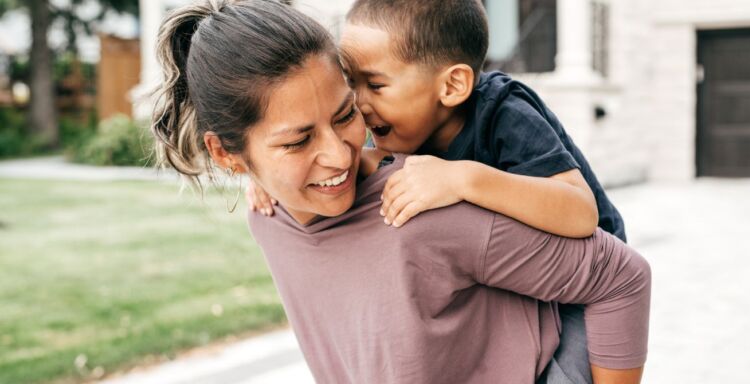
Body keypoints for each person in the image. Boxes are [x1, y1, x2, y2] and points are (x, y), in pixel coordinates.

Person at [152, 1, 651, 383]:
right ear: (227, 154)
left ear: (451, 85)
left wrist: (463, 179)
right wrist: (261, 180)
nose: (346, 151)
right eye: (299, 140)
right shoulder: (273, 218)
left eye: (347, 111)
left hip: (578, 277)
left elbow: (593, 233)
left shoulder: (497, 122)